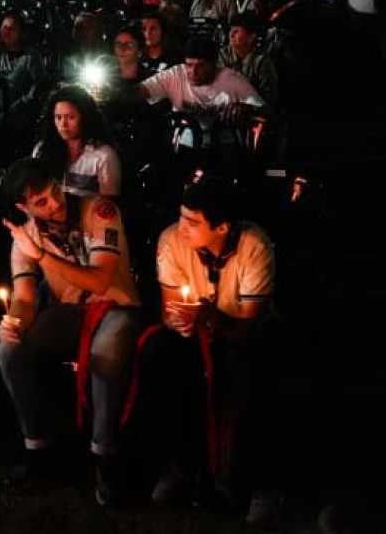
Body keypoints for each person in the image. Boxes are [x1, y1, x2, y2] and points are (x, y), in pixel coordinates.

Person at [127, 175, 281, 526]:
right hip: (196, 335)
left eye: (193, 223)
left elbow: (252, 322)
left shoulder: (254, 246)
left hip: (243, 335)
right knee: (156, 355)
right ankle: (182, 462)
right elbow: (170, 310)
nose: (182, 228)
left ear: (222, 226)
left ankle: (261, 483)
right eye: (181, 217)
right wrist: (178, 321)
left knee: (248, 372)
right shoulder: (171, 240)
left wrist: (216, 320)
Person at [0, 158, 142, 504]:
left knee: (105, 354)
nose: (55, 203)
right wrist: (13, 321)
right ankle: (39, 447)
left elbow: (101, 278)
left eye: (55, 191)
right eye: (41, 202)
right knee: (9, 351)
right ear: (24, 207)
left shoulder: (99, 210)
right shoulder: (26, 238)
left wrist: (44, 258)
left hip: (115, 305)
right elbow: (25, 297)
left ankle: (105, 455)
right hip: (69, 311)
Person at [32, 85, 122, 200]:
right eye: (58, 117)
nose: (63, 124)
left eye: (70, 117)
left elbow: (110, 205)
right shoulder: (42, 150)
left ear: (85, 117)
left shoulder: (103, 156)